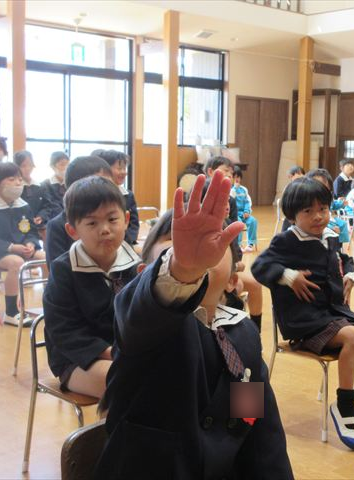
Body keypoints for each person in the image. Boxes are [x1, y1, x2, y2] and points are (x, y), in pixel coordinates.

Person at [95, 172, 293, 479]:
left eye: (215, 240)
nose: (193, 247)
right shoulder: (150, 323)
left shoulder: (243, 336)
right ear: (147, 272)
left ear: (233, 280)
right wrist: (182, 269)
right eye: (171, 244)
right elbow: (138, 318)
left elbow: (254, 426)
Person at [252, 177, 354, 450]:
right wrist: (289, 276)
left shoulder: (330, 235)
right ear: (292, 215)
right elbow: (259, 266)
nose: (318, 216)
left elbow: (345, 259)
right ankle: (343, 406)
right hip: (305, 321)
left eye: (323, 209)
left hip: (334, 314)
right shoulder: (287, 240)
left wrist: (351, 275)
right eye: (308, 211)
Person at [43, 176, 139, 399]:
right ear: (72, 230)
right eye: (92, 223)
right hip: (76, 358)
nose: (105, 229)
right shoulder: (63, 269)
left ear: (126, 219)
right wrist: (113, 353)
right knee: (127, 379)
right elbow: (64, 331)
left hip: (127, 353)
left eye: (112, 219)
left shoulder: (135, 263)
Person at [0, 162, 46, 326]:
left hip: (21, 249)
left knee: (46, 258)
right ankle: (11, 313)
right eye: (11, 179)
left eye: (19, 179)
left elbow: (31, 231)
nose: (18, 183)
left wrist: (31, 243)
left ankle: (50, 302)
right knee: (15, 262)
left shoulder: (23, 206)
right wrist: (11, 247)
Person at [45, 156, 113, 268]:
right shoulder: (57, 225)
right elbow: (56, 269)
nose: (107, 191)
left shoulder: (114, 219)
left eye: (110, 185)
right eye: (99, 185)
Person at [93, 150, 140, 246]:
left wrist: (126, 242)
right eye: (119, 168)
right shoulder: (95, 194)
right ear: (105, 170)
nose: (123, 172)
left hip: (125, 244)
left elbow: (134, 224)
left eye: (124, 168)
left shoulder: (128, 195)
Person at [13, 150, 53, 235]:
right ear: (16, 167)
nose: (28, 168)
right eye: (23, 166)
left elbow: (47, 205)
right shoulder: (15, 187)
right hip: (19, 227)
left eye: (30, 165)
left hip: (38, 226)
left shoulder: (40, 186)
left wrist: (41, 217)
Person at [307, 168, 350, 246]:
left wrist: (342, 204)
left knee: (342, 224)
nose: (321, 192)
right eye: (317, 187)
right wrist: (330, 228)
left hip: (329, 219)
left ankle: (340, 244)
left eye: (325, 189)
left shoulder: (328, 199)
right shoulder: (306, 202)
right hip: (322, 226)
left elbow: (333, 206)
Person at [232, 167, 258, 253]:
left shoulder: (244, 189)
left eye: (238, 177)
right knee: (238, 223)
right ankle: (239, 244)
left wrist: (247, 211)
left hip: (244, 213)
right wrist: (234, 188)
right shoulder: (229, 189)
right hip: (235, 214)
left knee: (253, 221)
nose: (236, 179)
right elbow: (230, 200)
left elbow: (247, 202)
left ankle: (250, 244)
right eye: (234, 177)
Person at [40, 151, 69, 219]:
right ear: (52, 166)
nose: (66, 167)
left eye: (68, 164)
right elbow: (50, 206)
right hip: (53, 220)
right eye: (62, 165)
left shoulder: (71, 183)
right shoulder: (45, 185)